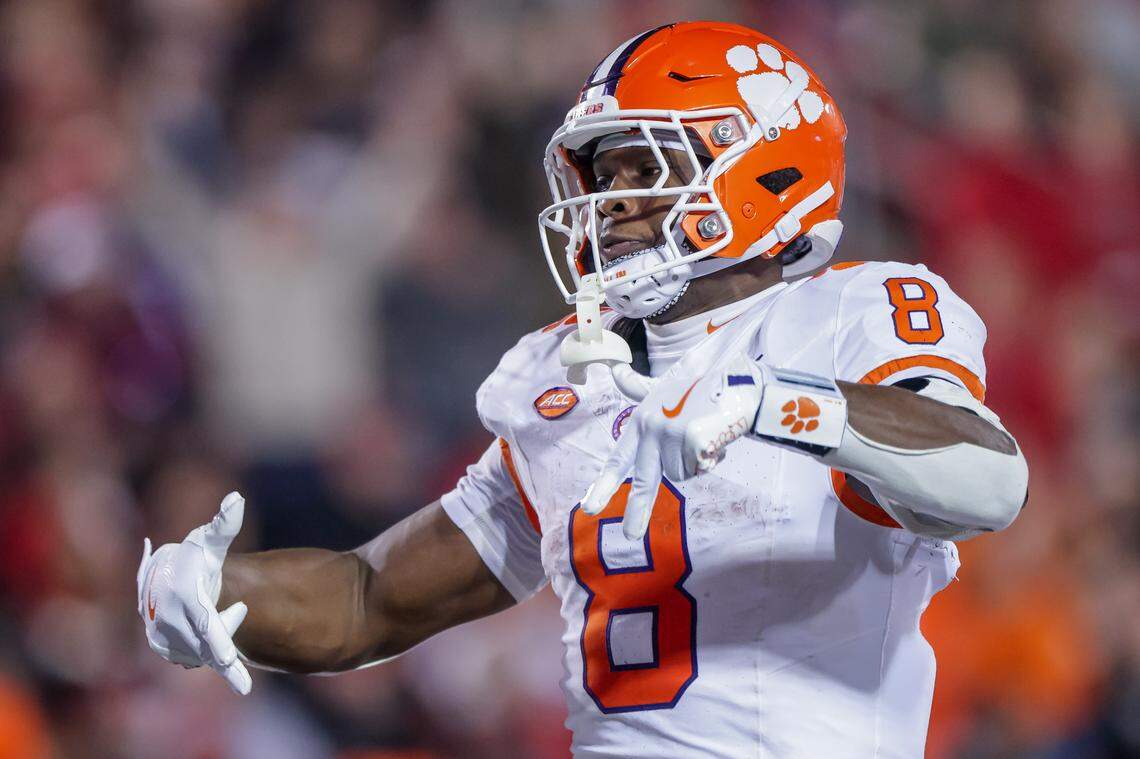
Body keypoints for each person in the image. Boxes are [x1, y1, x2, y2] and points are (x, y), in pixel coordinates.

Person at [137, 21, 1028, 758]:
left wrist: (776, 402)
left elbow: (989, 481)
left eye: (645, 168)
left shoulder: (851, 313)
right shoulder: (569, 376)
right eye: (602, 176)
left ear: (765, 168)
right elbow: (370, 597)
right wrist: (207, 588)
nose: (612, 203)